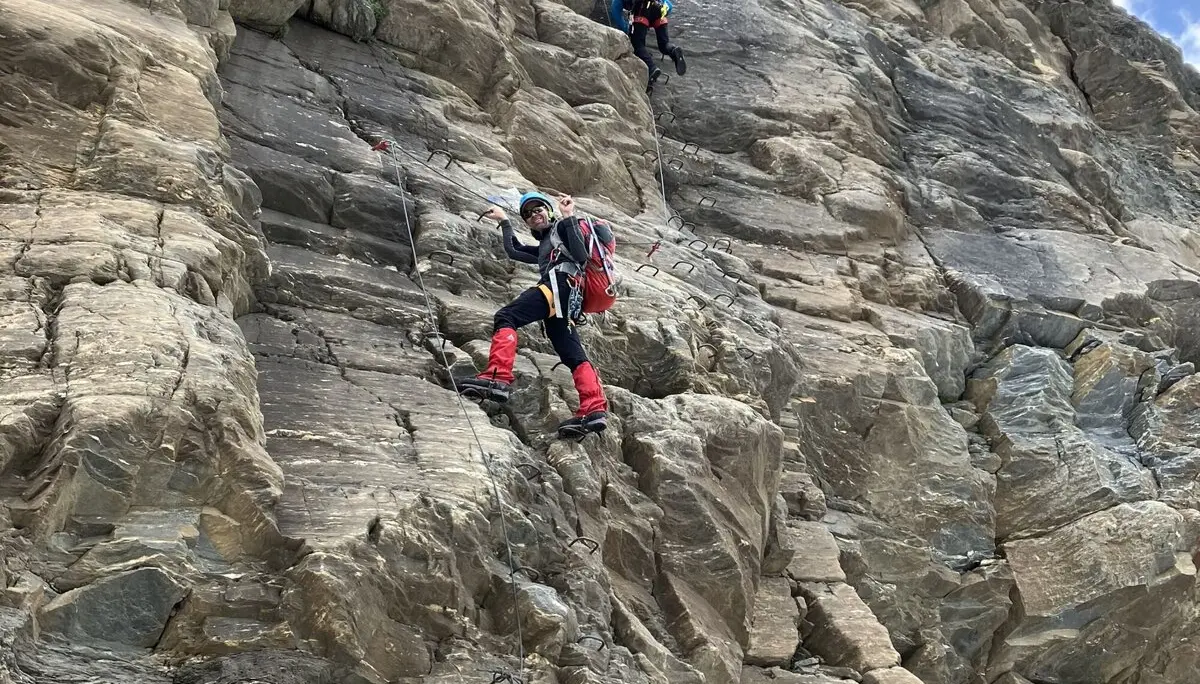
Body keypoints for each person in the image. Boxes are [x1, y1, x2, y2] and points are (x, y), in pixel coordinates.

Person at [456, 192, 611, 437]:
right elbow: (514, 250)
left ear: (549, 211)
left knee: (506, 317)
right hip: (567, 299)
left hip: (559, 285)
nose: (533, 215)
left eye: (538, 209)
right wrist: (505, 221)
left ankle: (497, 376)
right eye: (527, 214)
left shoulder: (560, 229)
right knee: (572, 354)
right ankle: (593, 409)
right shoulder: (546, 246)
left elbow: (581, 256)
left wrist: (568, 215)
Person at [609, 0, 687, 89]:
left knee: (638, 46)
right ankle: (674, 51)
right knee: (664, 44)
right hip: (660, 9)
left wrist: (625, 28)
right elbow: (669, 5)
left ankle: (652, 68)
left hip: (642, 9)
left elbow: (615, 10)